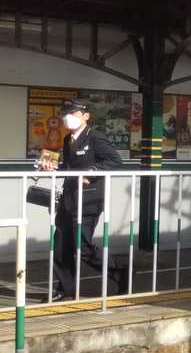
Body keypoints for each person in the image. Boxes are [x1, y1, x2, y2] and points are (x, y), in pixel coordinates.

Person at [36, 98, 127, 298]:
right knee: (61, 246)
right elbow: (68, 168)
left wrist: (91, 173)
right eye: (65, 114)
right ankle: (65, 289)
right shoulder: (67, 140)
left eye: (73, 113)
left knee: (83, 246)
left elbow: (114, 160)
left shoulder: (95, 137)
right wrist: (51, 168)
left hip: (88, 200)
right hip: (68, 199)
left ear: (86, 116)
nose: (67, 118)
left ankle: (120, 272)